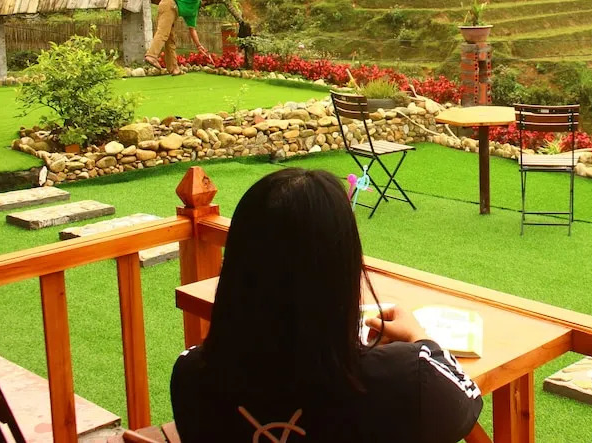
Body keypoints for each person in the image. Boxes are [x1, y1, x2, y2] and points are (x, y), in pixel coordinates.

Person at [170, 169, 483, 443]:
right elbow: (466, 399)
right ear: (341, 272)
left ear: (236, 267)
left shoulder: (191, 376)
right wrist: (419, 338)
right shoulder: (408, 379)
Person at [144, 0, 210, 75]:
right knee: (163, 32)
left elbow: (192, 30)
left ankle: (174, 69)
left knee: (170, 39)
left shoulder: (193, 12)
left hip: (173, 11)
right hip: (169, 4)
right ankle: (151, 55)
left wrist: (199, 45)